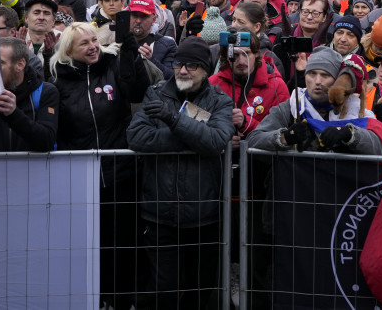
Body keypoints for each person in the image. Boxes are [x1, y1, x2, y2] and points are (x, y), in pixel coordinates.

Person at [126, 36, 234, 310]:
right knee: (164, 291)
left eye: (192, 66)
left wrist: (173, 120)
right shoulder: (156, 93)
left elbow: (216, 141)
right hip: (160, 213)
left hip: (204, 215)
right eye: (178, 64)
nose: (183, 70)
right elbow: (136, 137)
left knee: (200, 290)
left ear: (206, 70)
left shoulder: (220, 100)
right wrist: (191, 138)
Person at [51, 22, 152, 310]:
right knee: (91, 244)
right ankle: (94, 298)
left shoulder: (112, 66)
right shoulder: (59, 80)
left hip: (121, 174)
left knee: (123, 242)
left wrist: (131, 49)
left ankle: (121, 299)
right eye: (84, 43)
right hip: (81, 179)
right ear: (69, 49)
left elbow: (138, 91)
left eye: (94, 40)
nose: (93, 46)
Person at [248, 46, 382, 154]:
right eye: (312, 73)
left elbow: (381, 146)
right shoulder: (292, 106)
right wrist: (285, 137)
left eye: (325, 75)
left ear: (336, 80)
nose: (317, 81)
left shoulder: (355, 108)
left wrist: (350, 134)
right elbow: (253, 140)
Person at [208, 28, 289, 146]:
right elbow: (199, 125)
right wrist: (222, 137)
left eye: (246, 54)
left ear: (256, 53)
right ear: (226, 55)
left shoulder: (276, 86)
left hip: (260, 161)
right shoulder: (213, 84)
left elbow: (280, 133)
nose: (241, 61)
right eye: (235, 55)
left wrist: (245, 123)